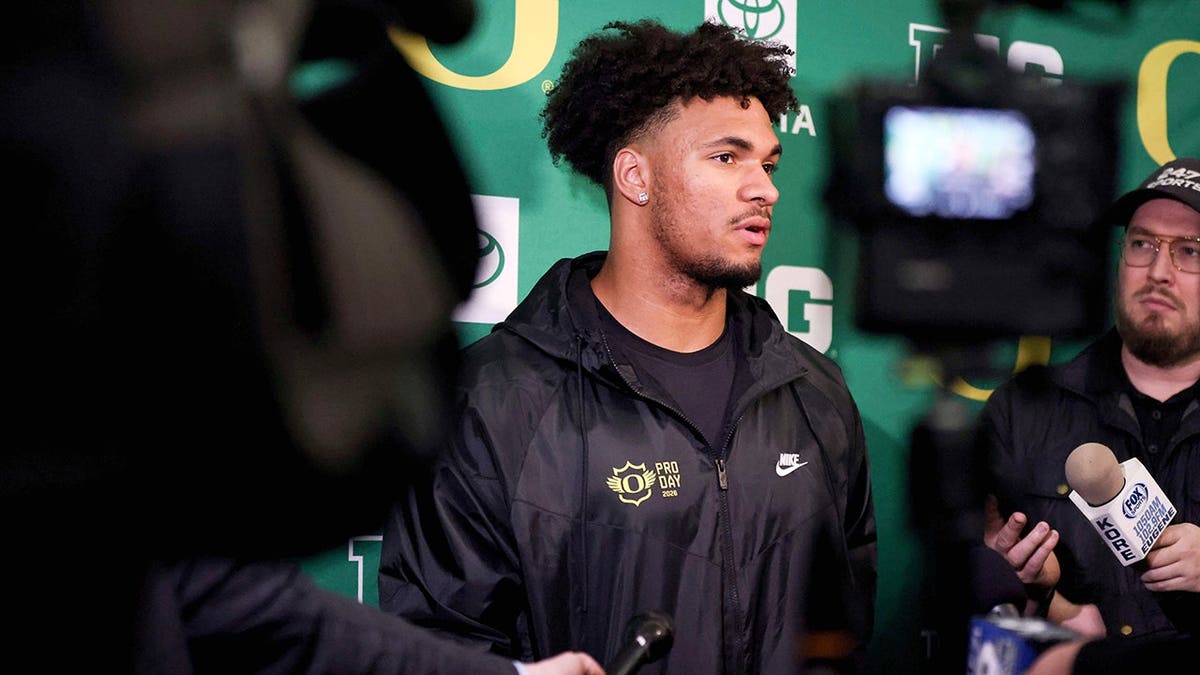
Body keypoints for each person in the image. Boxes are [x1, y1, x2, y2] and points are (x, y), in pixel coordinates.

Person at [378, 18, 877, 675]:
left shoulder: (815, 392)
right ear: (635, 177)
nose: (765, 188)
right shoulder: (494, 399)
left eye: (767, 163)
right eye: (727, 158)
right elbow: (442, 645)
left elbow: (845, 631)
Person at [978, 156, 1200, 660]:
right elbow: (973, 599)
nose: (1158, 272)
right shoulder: (1021, 412)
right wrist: (1031, 592)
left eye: (1189, 251)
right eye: (1142, 244)